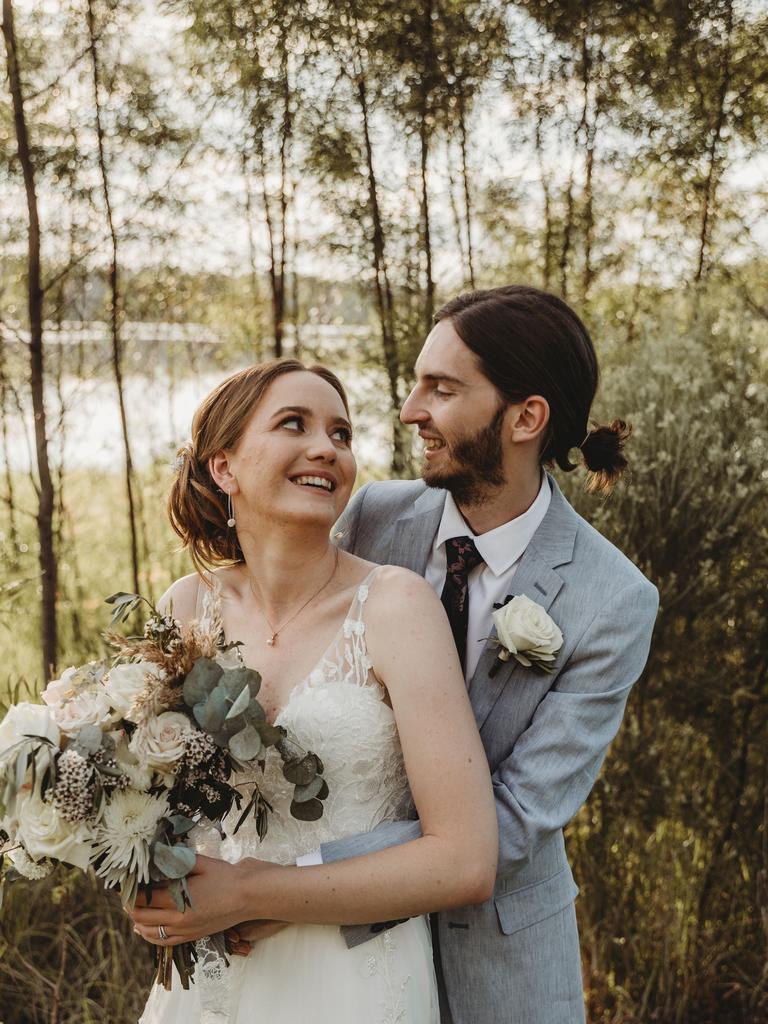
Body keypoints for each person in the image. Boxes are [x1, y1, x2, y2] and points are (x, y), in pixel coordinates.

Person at [315, 285, 660, 1024]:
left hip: (501, 971)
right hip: (335, 971)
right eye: (417, 384)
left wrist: (297, 882)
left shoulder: (613, 601)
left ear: (526, 418)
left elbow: (516, 817)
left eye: (441, 388)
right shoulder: (371, 518)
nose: (411, 410)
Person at [132, 359, 498, 1024]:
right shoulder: (186, 607)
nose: (326, 448)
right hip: (211, 980)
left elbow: (465, 861)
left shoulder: (394, 606)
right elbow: (156, 810)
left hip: (354, 980)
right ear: (225, 467)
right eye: (293, 424)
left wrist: (253, 893)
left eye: (342, 433)